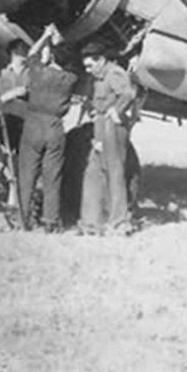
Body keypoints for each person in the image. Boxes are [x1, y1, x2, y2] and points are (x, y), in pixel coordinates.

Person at [16, 37, 79, 232]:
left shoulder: (38, 72)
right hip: (55, 126)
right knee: (53, 176)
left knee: (27, 174)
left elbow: (31, 55)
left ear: (51, 56)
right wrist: (61, 42)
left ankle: (23, 219)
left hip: (33, 124)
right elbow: (74, 62)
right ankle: (51, 221)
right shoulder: (70, 79)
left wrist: (44, 37)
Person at [77, 41, 138, 236]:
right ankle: (91, 223)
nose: (87, 69)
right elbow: (90, 99)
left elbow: (128, 94)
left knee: (114, 172)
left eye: (90, 65)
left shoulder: (114, 73)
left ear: (101, 60)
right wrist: (93, 113)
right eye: (85, 66)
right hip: (100, 124)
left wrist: (115, 111)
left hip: (114, 125)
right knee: (93, 171)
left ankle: (119, 222)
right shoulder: (94, 78)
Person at [0, 39, 29, 209]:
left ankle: (12, 203)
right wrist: (11, 95)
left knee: (17, 164)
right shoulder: (1, 74)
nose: (26, 53)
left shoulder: (30, 73)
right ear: (14, 52)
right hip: (7, 120)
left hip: (24, 121)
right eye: (23, 50)